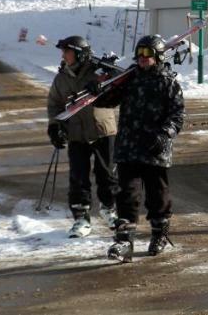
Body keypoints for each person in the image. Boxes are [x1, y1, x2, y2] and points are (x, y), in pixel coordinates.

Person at [94, 34, 185, 262]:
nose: (142, 58)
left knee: (157, 195)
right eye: (139, 53)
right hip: (128, 148)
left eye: (148, 53)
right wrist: (98, 88)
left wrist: (165, 135)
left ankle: (159, 233)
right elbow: (106, 101)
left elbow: (177, 115)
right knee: (126, 194)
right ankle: (124, 241)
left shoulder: (168, 83)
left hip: (155, 149)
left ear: (158, 56)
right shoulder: (129, 79)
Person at [46, 35, 119, 238]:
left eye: (67, 52)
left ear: (79, 54)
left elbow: (118, 91)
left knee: (107, 174)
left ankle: (109, 209)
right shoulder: (62, 77)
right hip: (76, 133)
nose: (63, 55)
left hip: (103, 129)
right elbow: (54, 104)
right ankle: (81, 217)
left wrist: (105, 81)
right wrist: (55, 127)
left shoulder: (100, 71)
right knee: (78, 177)